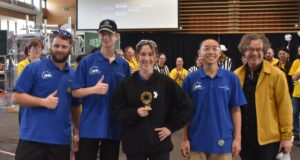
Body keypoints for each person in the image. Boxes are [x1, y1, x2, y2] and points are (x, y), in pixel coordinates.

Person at [111, 39, 194, 160]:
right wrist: (135, 113)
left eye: (150, 54)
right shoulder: (126, 84)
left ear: (156, 58)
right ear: (137, 57)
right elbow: (116, 110)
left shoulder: (166, 82)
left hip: (160, 146)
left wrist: (171, 127)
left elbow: (187, 106)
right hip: (134, 146)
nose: (146, 58)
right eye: (143, 54)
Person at [12, 30, 80, 160]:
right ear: (50, 46)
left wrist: (77, 132)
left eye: (64, 46)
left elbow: (75, 107)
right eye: (56, 45)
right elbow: (16, 97)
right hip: (32, 139)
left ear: (70, 48)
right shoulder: (33, 68)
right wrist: (43, 102)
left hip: (60, 141)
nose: (60, 50)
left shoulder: (73, 75)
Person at [72, 19, 131, 160]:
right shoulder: (87, 62)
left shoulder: (123, 65)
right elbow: (75, 92)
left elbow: (128, 96)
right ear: (99, 36)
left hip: (113, 128)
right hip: (89, 127)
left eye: (109, 34)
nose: (106, 37)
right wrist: (93, 89)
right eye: (102, 33)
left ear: (117, 36)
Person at [181, 39, 247, 160]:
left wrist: (237, 139)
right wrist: (184, 139)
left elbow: (236, 110)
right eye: (206, 48)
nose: (211, 52)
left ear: (220, 52)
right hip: (196, 142)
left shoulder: (231, 78)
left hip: (223, 142)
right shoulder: (190, 79)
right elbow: (185, 112)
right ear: (199, 53)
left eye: (215, 48)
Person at [234, 33, 293, 160]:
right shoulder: (236, 75)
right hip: (244, 139)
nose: (254, 53)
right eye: (250, 49)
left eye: (259, 49)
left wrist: (287, 137)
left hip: (268, 141)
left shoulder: (277, 75)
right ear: (244, 51)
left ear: (264, 51)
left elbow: (285, 108)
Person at [288, 45, 300, 144]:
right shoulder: (296, 62)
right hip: (296, 93)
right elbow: (293, 77)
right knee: (294, 113)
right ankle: (297, 133)